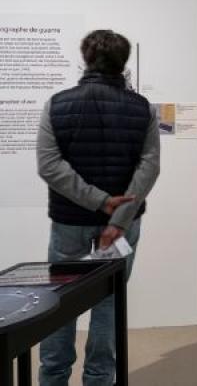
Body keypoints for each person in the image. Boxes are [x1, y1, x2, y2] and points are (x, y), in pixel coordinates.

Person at [36, 29, 160, 386]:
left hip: (68, 220)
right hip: (122, 226)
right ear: (124, 62)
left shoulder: (58, 103)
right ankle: (99, 379)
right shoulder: (142, 108)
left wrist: (97, 201)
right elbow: (148, 168)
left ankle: (53, 377)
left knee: (60, 299)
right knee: (108, 303)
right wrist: (116, 214)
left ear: (85, 58)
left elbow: (50, 166)